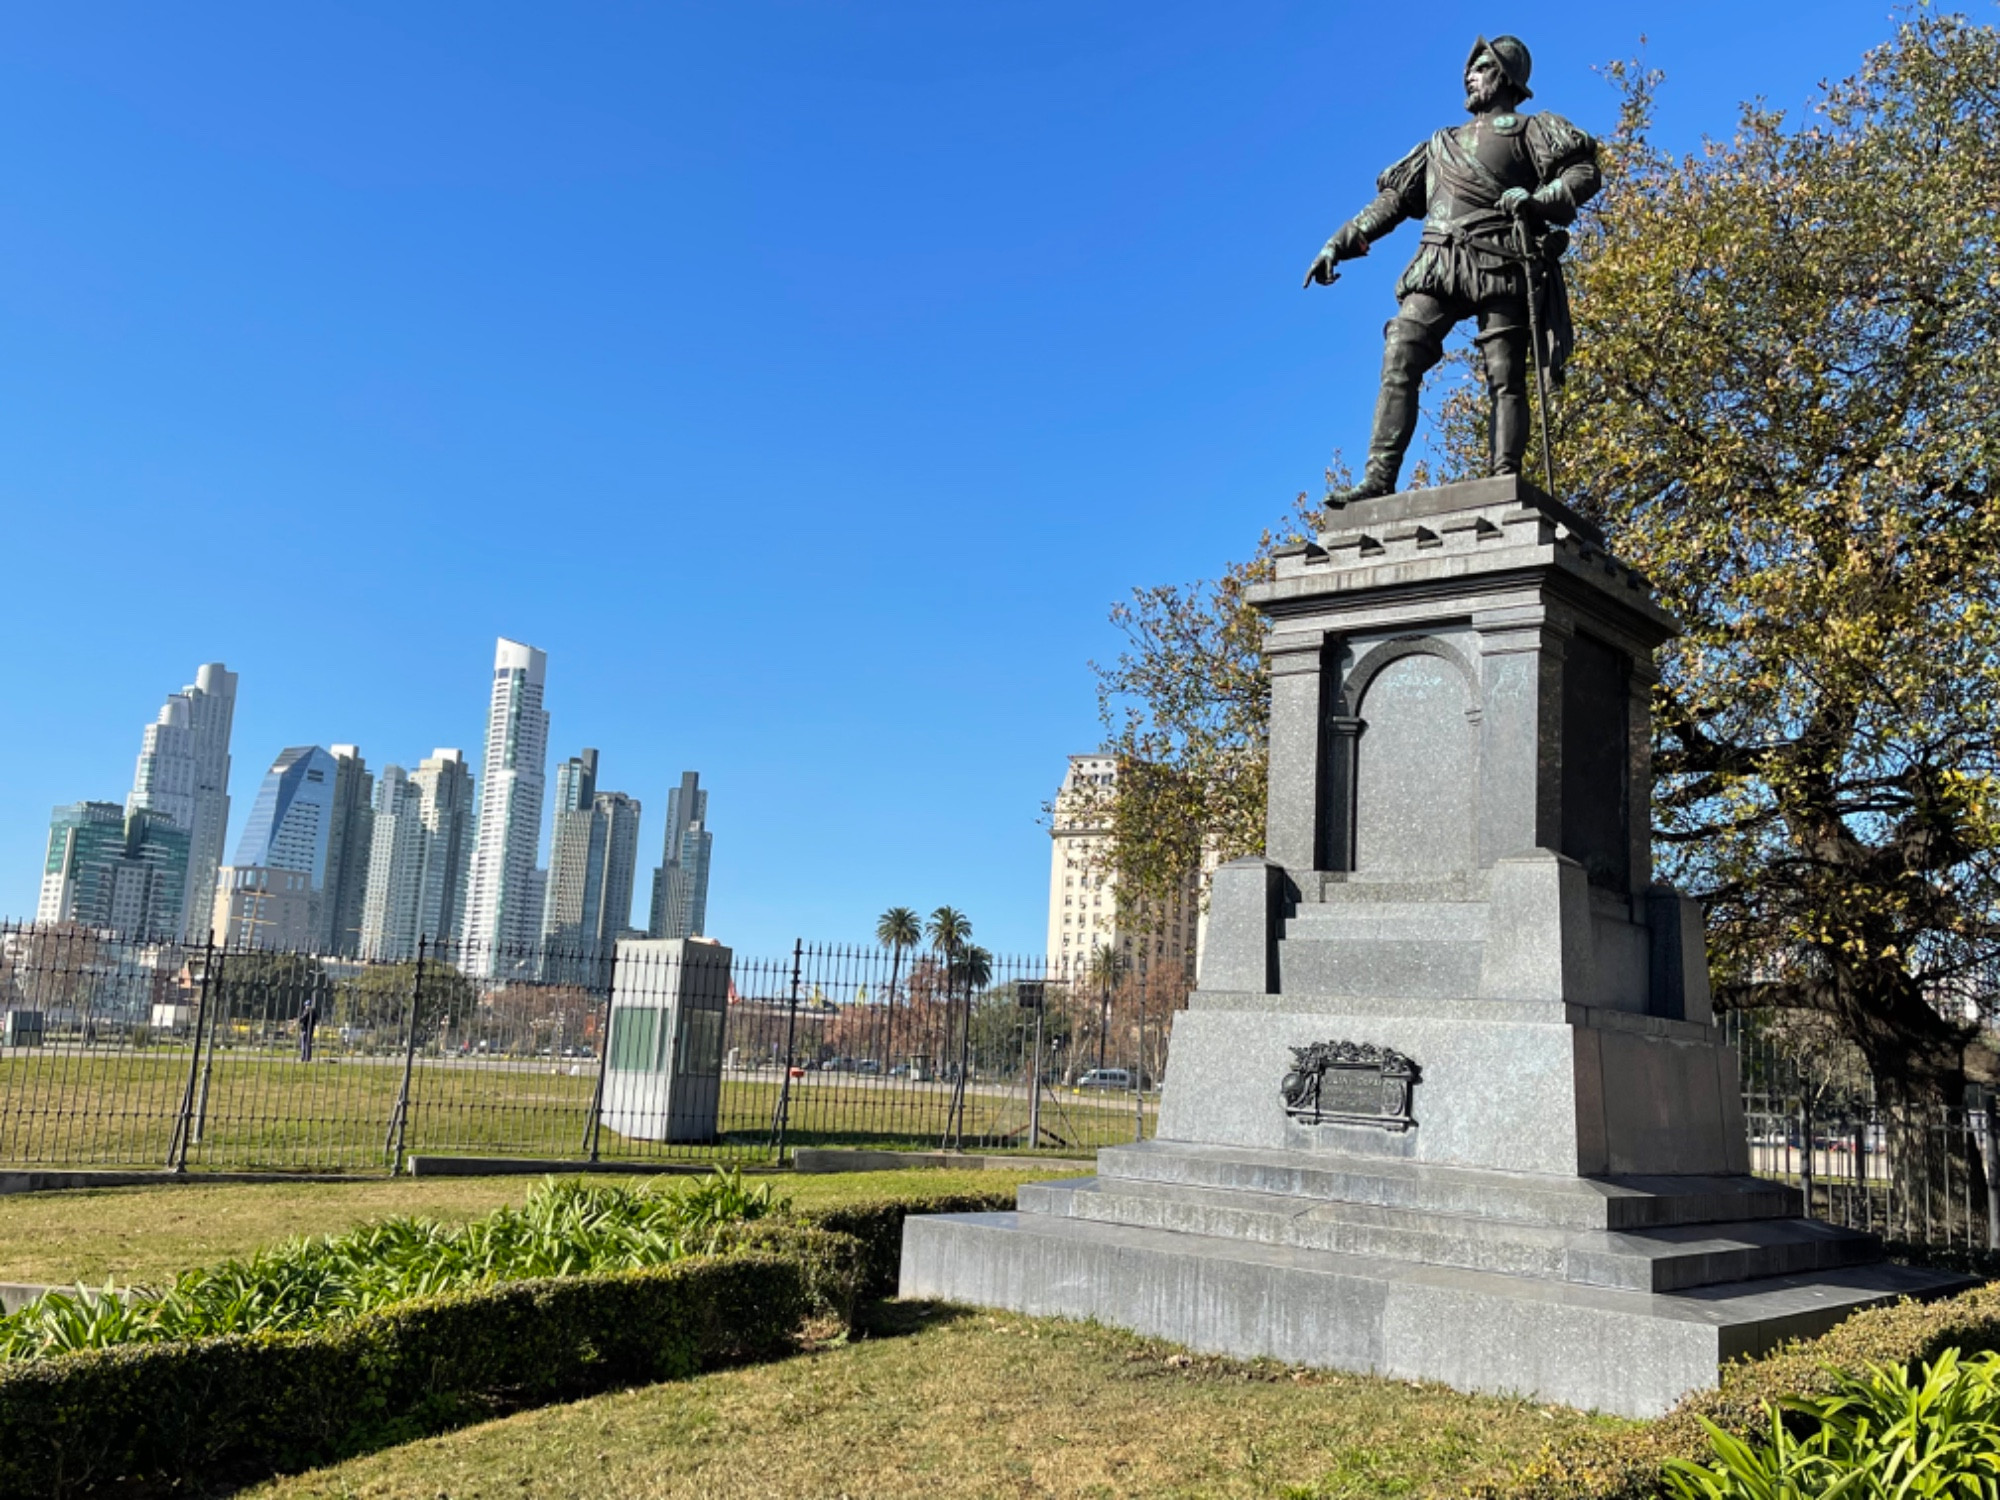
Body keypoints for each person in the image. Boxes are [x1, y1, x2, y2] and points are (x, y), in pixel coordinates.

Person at [1304, 36, 1601, 504]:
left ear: (1504, 76)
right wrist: (1339, 241)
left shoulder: (1532, 130)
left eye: (1481, 67)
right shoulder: (1441, 144)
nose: (1470, 75)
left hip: (1502, 257)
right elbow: (1394, 202)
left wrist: (1540, 199)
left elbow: (1583, 172)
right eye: (1470, 68)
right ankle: (1378, 480)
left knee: (1505, 373)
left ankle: (1503, 477)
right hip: (1440, 259)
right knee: (1401, 348)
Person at [297, 992, 319, 1063]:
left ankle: (303, 1057)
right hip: (311, 1029)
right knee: (308, 1044)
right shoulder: (314, 1012)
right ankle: (308, 1057)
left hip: (305, 1029)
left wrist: (298, 1020)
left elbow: (302, 1019)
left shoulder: (307, 1011)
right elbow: (316, 1020)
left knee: (304, 1044)